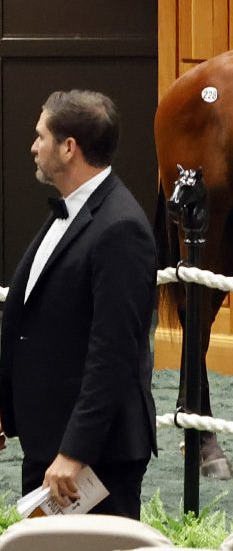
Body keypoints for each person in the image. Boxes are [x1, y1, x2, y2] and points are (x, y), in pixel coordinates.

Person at [0, 91, 157, 518]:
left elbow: (114, 353)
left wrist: (74, 451)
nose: (33, 147)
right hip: (50, 446)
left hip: (90, 459)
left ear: (69, 147)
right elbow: (35, 323)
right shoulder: (72, 210)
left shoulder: (121, 228)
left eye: (40, 136)